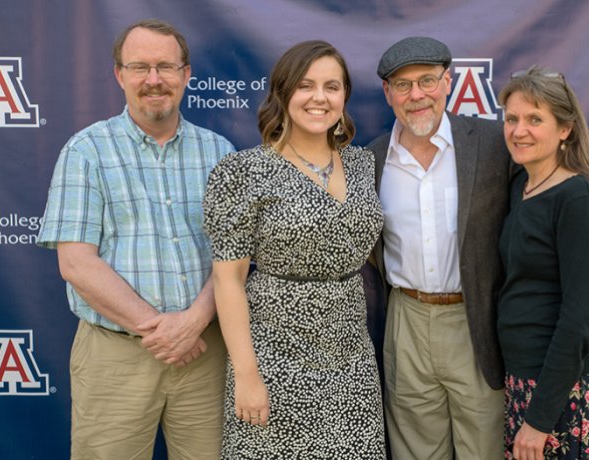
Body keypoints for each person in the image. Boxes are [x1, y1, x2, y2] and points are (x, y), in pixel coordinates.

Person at [36, 19, 234, 460]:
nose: (154, 80)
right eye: (140, 67)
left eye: (166, 66)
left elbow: (234, 257)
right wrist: (161, 330)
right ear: (119, 75)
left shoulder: (219, 152)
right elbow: (76, 263)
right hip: (115, 358)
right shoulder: (86, 151)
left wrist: (192, 323)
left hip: (205, 352)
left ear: (186, 74)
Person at [203, 40, 386, 459]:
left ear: (344, 97)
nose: (319, 97)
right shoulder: (242, 172)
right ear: (283, 93)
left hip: (351, 359)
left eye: (332, 86)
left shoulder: (361, 164)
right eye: (306, 85)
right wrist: (247, 376)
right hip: (274, 358)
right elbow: (228, 280)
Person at [368, 36, 513, 460]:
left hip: (475, 322)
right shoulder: (371, 159)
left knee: (482, 448)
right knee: (416, 451)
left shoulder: (492, 144)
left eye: (427, 81)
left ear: (448, 81)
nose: (417, 96)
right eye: (403, 85)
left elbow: (548, 193)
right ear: (388, 93)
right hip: (406, 319)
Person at [497, 66, 589, 460]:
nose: (519, 130)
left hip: (568, 386)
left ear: (565, 130)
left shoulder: (577, 198)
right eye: (512, 119)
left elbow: (578, 320)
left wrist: (538, 422)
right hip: (524, 379)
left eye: (535, 119)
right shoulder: (520, 185)